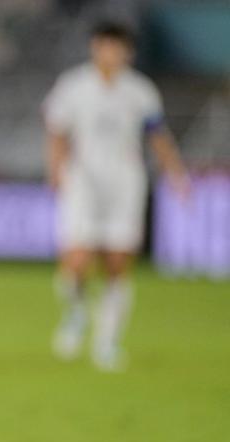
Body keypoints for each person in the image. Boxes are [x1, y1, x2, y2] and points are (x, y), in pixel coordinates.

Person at [44, 21, 189, 371]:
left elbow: (157, 135)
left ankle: (106, 342)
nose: (111, 53)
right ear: (95, 47)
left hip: (125, 181)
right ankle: (77, 312)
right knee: (77, 260)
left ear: (129, 52)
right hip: (83, 179)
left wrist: (176, 173)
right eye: (105, 45)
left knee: (117, 263)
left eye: (118, 46)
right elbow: (57, 131)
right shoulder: (73, 85)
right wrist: (55, 170)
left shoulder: (140, 91)